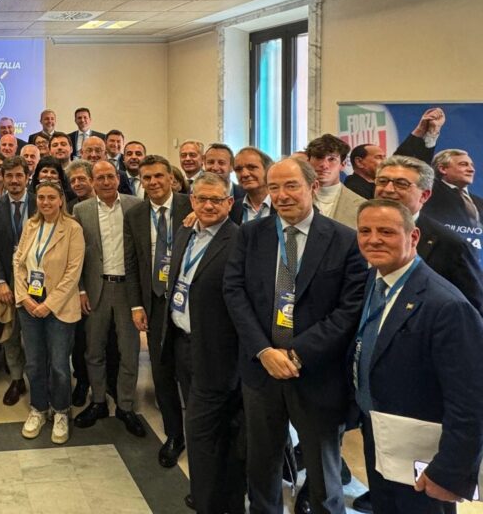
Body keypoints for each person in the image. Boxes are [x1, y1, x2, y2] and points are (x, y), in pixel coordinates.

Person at [223, 157, 367, 514]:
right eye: (274, 188)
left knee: (323, 473)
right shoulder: (250, 234)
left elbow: (349, 309)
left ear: (313, 187)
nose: (282, 195)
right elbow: (234, 292)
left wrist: (296, 353)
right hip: (261, 371)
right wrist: (263, 350)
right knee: (262, 464)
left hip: (316, 372)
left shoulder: (344, 240)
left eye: (291, 186)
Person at [351, 199, 483, 513]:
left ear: (413, 237)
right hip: (380, 434)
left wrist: (449, 471)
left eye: (386, 231)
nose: (373, 239)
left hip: (424, 452)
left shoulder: (447, 306)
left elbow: (470, 400)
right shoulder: (375, 281)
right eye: (365, 231)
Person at [161, 172, 244, 512]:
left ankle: (210, 501)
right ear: (191, 200)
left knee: (202, 431)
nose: (208, 205)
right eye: (201, 199)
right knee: (204, 428)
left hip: (217, 351)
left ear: (230, 202)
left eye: (216, 200)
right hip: (183, 344)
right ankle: (211, 493)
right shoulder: (185, 231)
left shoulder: (239, 241)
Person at [124, 154, 192, 465]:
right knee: (162, 372)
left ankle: (200, 433)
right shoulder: (136, 214)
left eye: (158, 176)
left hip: (188, 301)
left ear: (171, 178)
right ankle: (174, 434)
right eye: (147, 178)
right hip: (154, 301)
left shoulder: (191, 206)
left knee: (190, 372)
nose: (153, 182)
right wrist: (137, 304)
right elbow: (132, 262)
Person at [73, 160, 145, 436]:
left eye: (110, 176)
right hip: (96, 289)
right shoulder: (81, 210)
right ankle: (99, 401)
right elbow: (76, 254)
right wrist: (81, 289)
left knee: (129, 350)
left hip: (128, 290)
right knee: (94, 350)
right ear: (92, 181)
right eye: (99, 177)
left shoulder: (135, 206)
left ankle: (125, 405)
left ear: (118, 178)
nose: (105, 182)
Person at [15, 180, 86, 444]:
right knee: (34, 362)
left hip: (59, 305)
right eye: (41, 197)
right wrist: (24, 297)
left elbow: (73, 272)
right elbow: (18, 262)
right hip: (29, 303)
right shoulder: (31, 225)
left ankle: (61, 410)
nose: (45, 202)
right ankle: (38, 408)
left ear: (60, 200)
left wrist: (49, 303)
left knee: (59, 365)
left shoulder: (72, 229)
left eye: (51, 198)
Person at [375, 155, 483, 314]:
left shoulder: (452, 245)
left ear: (424, 195)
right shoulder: (356, 231)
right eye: (382, 181)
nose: (388, 189)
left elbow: (472, 310)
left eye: (401, 184)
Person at [0, 156, 34, 406]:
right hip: (7, 280)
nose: (14, 180)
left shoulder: (41, 202)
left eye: (19, 175)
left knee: (35, 334)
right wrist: (0, 281)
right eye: (9, 176)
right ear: (2, 178)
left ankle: (39, 379)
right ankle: (16, 379)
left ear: (27, 177)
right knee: (11, 333)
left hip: (37, 280)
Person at [422, 149, 483, 245]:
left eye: (472, 165)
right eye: (463, 164)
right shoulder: (430, 194)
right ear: (443, 169)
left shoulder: (479, 201)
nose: (471, 170)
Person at [306, 133, 366, 228]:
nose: (324, 165)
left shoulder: (361, 206)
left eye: (331, 159)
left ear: (343, 164)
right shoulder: (295, 199)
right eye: (318, 157)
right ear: (308, 162)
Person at [231, 146, 274, 224]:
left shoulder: (281, 204)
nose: (244, 174)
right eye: (238, 169)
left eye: (251, 167)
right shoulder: (234, 208)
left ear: (268, 170)